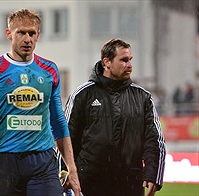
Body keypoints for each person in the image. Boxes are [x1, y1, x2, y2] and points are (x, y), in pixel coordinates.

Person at [0, 8, 81, 196]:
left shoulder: (49, 70)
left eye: (32, 33)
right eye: (21, 33)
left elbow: (58, 122)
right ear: (9, 34)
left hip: (43, 161)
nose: (27, 39)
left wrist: (71, 168)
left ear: (38, 35)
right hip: (5, 163)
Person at [63, 38, 166, 196]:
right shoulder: (82, 95)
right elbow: (65, 138)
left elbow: (155, 140)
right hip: (90, 184)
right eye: (124, 60)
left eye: (130, 60)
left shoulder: (143, 97)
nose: (130, 65)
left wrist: (153, 175)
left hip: (130, 185)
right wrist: (64, 174)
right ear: (107, 62)